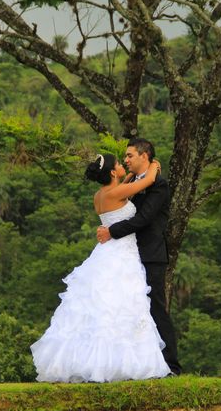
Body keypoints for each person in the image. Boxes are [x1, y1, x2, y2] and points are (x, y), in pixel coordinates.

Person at [30, 153, 171, 382]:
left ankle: (101, 363)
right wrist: (153, 165)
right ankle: (123, 365)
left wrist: (131, 173)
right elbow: (146, 182)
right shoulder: (116, 192)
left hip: (108, 250)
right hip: (122, 253)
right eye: (118, 163)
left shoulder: (101, 195)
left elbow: (124, 189)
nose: (122, 163)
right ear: (114, 171)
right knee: (122, 305)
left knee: (108, 305)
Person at [97, 138, 182, 376]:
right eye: (124, 157)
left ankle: (171, 366)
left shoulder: (159, 185)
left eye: (130, 155)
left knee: (156, 308)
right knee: (132, 310)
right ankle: (141, 364)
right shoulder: (132, 182)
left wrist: (111, 231)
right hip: (129, 257)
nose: (126, 159)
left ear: (145, 156)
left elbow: (142, 219)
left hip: (151, 255)